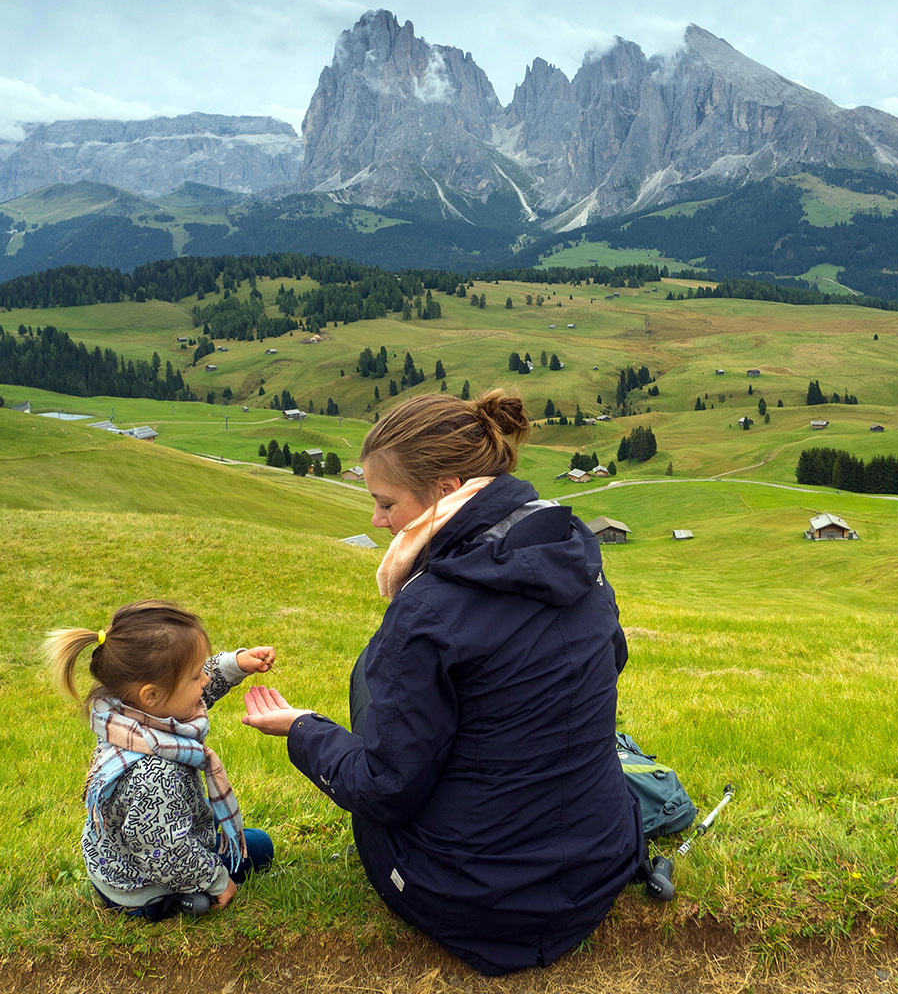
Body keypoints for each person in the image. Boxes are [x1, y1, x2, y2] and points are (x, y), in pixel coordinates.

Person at [241, 391, 641, 975]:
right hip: (601, 862)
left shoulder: (428, 609)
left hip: (476, 903)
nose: (377, 521)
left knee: (372, 676)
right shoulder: (571, 546)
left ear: (447, 490)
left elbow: (386, 790)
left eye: (386, 503)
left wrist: (303, 729)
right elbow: (613, 659)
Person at [45, 599, 278, 921]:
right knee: (260, 847)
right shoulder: (156, 774)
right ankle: (172, 899)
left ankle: (194, 858)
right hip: (140, 881)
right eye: (196, 676)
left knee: (210, 823)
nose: (204, 681)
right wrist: (216, 880)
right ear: (151, 695)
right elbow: (164, 852)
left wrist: (235, 664)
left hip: (119, 851)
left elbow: (189, 695)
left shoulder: (124, 716)